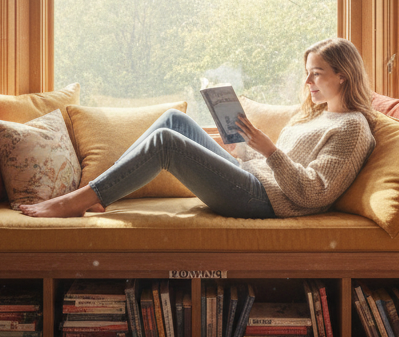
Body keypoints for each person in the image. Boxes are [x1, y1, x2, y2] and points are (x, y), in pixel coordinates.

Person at [19, 38, 376, 219]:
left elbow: (313, 195)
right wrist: (245, 149)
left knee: (165, 142)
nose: (308, 80)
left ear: (343, 74)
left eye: (317, 72)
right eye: (307, 71)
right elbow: (275, 166)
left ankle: (79, 200)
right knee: (176, 122)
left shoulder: (352, 128)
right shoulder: (315, 114)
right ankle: (99, 194)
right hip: (252, 176)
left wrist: (268, 150)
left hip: (264, 201)